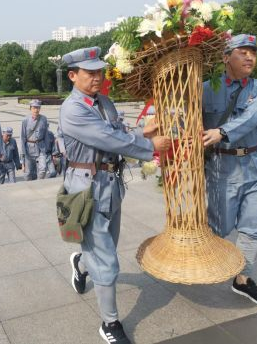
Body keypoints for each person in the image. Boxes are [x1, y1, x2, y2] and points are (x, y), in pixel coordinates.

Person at [59, 46, 171, 344]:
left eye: (99, 71)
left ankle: (82, 263)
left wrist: (144, 131)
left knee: (104, 245)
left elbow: (120, 132)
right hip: (87, 187)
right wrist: (150, 146)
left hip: (111, 184)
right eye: (89, 72)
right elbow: (107, 137)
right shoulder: (73, 109)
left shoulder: (104, 102)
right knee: (107, 259)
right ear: (73, 76)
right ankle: (109, 324)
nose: (97, 77)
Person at [202, 34, 257, 307]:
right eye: (242, 52)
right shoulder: (206, 89)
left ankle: (242, 280)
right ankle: (203, 260)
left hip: (254, 166)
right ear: (225, 57)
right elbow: (187, 120)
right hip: (222, 169)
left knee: (254, 227)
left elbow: (252, 117)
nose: (249, 57)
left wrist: (222, 131)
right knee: (219, 228)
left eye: (252, 52)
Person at [20, 99, 49, 180]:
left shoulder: (44, 119)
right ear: (30, 108)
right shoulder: (25, 120)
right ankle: (28, 187)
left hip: (41, 148)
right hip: (29, 149)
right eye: (34, 108)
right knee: (28, 173)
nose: (36, 110)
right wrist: (22, 154)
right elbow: (22, 138)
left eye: (38, 108)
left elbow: (46, 135)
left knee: (43, 170)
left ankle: (39, 184)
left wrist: (46, 149)